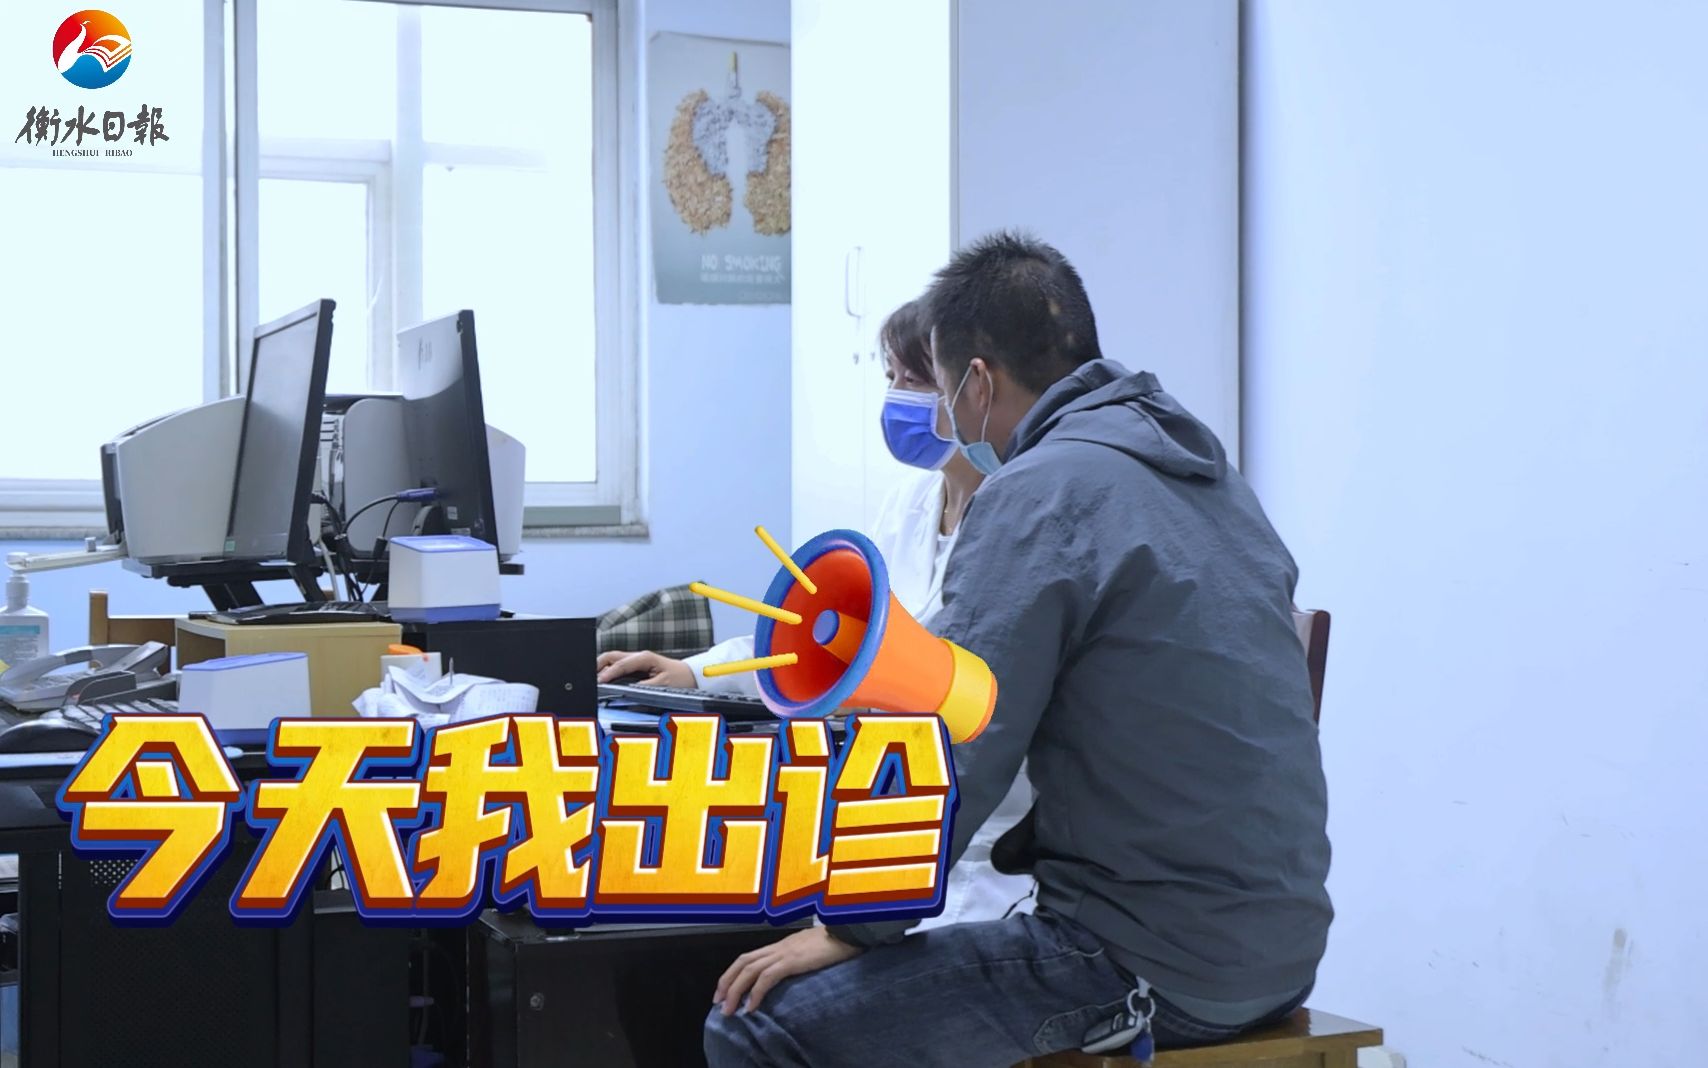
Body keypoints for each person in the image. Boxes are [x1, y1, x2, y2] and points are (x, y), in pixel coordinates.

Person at [703, 232, 1332, 1067]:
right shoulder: (1207, 473)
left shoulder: (1037, 490)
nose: (943, 420)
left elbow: (956, 740)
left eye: (941, 392)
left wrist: (854, 925)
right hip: (1281, 951)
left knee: (757, 1021)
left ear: (978, 381)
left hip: (1145, 964)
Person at [597, 298, 1035, 930]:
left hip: (979, 844)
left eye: (914, 380)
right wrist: (695, 672)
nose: (895, 397)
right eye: (890, 377)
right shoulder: (910, 503)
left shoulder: (1019, 516)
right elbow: (826, 639)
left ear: (968, 390)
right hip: (885, 800)